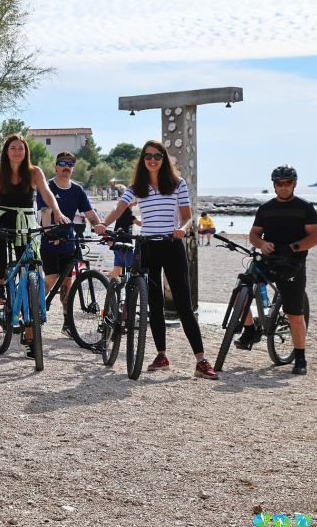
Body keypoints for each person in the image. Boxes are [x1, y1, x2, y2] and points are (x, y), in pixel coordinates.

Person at [96, 140, 217, 380]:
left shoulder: (177, 184)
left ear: (164, 159)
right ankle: (161, 356)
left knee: (184, 305)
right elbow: (119, 209)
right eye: (148, 155)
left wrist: (182, 229)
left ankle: (201, 360)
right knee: (154, 304)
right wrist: (103, 225)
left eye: (157, 155)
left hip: (172, 245)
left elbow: (187, 218)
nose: (152, 159)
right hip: (148, 247)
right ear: (142, 159)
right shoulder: (136, 187)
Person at [0, 135, 67, 357]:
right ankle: (1, 285)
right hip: (4, 217)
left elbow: (46, 193)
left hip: (26, 219)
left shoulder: (34, 172)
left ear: (26, 151)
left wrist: (57, 212)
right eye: (13, 148)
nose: (17, 152)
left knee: (31, 267)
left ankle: (30, 335)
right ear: (6, 152)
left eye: (21, 148)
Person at [235, 165, 317, 375]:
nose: (283, 187)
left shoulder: (305, 208)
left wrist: (293, 247)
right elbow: (254, 234)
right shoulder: (266, 208)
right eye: (279, 184)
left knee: (294, 315)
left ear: (294, 184)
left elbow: (315, 237)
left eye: (287, 183)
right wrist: (262, 244)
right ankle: (250, 330)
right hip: (267, 260)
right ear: (274, 185)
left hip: (293, 264)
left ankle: (300, 357)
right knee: (241, 293)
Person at [37, 151, 105, 334]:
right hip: (50, 241)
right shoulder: (47, 186)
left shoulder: (77, 190)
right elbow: (45, 212)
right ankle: (34, 312)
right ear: (56, 167)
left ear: (73, 169)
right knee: (51, 279)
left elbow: (90, 214)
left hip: (69, 241)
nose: (67, 166)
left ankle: (67, 323)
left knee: (67, 283)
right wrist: (50, 234)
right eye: (63, 163)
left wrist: (100, 226)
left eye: (70, 164)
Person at [108, 200, 141, 281]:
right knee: (137, 270)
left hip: (117, 244)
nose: (136, 200)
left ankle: (109, 291)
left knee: (116, 272)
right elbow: (139, 223)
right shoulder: (127, 211)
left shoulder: (123, 210)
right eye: (134, 197)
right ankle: (140, 291)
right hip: (124, 245)